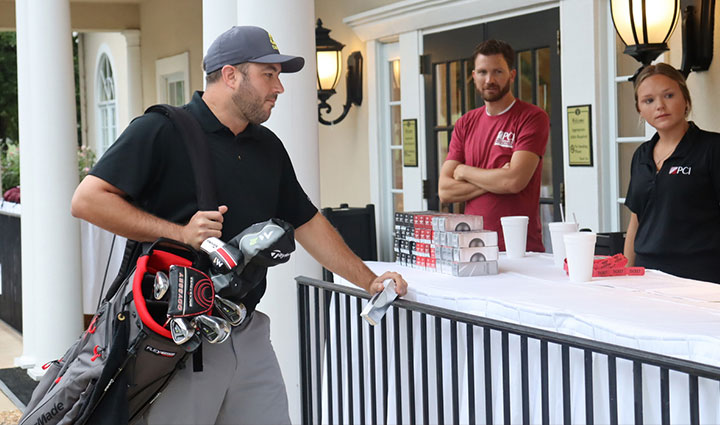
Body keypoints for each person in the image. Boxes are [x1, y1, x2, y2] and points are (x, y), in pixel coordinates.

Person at [71, 25, 408, 424]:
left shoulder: (267, 146)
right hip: (179, 338)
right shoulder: (160, 130)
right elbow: (87, 200)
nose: (279, 87)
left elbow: (308, 222)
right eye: (269, 74)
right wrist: (180, 233)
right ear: (231, 75)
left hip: (247, 330)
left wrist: (368, 281)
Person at [438, 39, 549, 252]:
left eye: (498, 72)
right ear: (473, 77)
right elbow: (445, 191)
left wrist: (464, 171)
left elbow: (514, 182)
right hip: (471, 248)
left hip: (519, 249)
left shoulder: (532, 117)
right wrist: (497, 177)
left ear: (512, 75)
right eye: (482, 72)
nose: (489, 80)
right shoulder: (465, 123)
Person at [623, 63, 720, 283]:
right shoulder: (641, 155)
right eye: (648, 100)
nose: (660, 106)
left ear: (685, 99)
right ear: (640, 109)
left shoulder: (712, 148)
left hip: (701, 278)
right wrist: (625, 275)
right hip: (647, 276)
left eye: (668, 95)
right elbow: (636, 219)